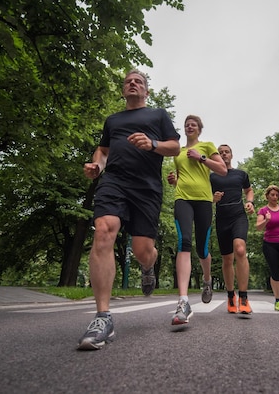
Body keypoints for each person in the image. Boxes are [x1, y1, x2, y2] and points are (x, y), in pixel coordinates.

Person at [78, 69, 180, 349]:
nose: (133, 84)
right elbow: (103, 150)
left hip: (147, 188)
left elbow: (175, 148)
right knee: (103, 231)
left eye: (139, 82)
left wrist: (153, 143)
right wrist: (97, 165)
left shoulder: (158, 115)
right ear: (123, 90)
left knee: (141, 251)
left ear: (146, 91)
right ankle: (102, 318)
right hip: (114, 181)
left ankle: (149, 266)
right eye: (128, 82)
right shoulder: (113, 120)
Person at [168, 115, 227, 325]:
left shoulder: (207, 146)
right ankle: (183, 301)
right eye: (186, 124)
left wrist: (201, 158)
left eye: (193, 124)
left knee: (202, 248)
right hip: (182, 198)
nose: (189, 126)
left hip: (203, 200)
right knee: (184, 241)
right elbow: (182, 175)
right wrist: (174, 181)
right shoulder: (178, 152)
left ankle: (207, 280)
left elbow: (222, 170)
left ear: (199, 129)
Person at [210, 144, 255, 314]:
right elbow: (204, 197)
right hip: (222, 219)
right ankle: (231, 295)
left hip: (238, 216)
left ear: (231, 154)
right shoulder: (212, 177)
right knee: (227, 259)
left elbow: (249, 190)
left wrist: (250, 202)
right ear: (217, 157)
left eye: (226, 152)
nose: (223, 154)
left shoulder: (241, 174)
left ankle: (243, 297)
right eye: (220, 153)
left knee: (241, 250)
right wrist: (212, 198)